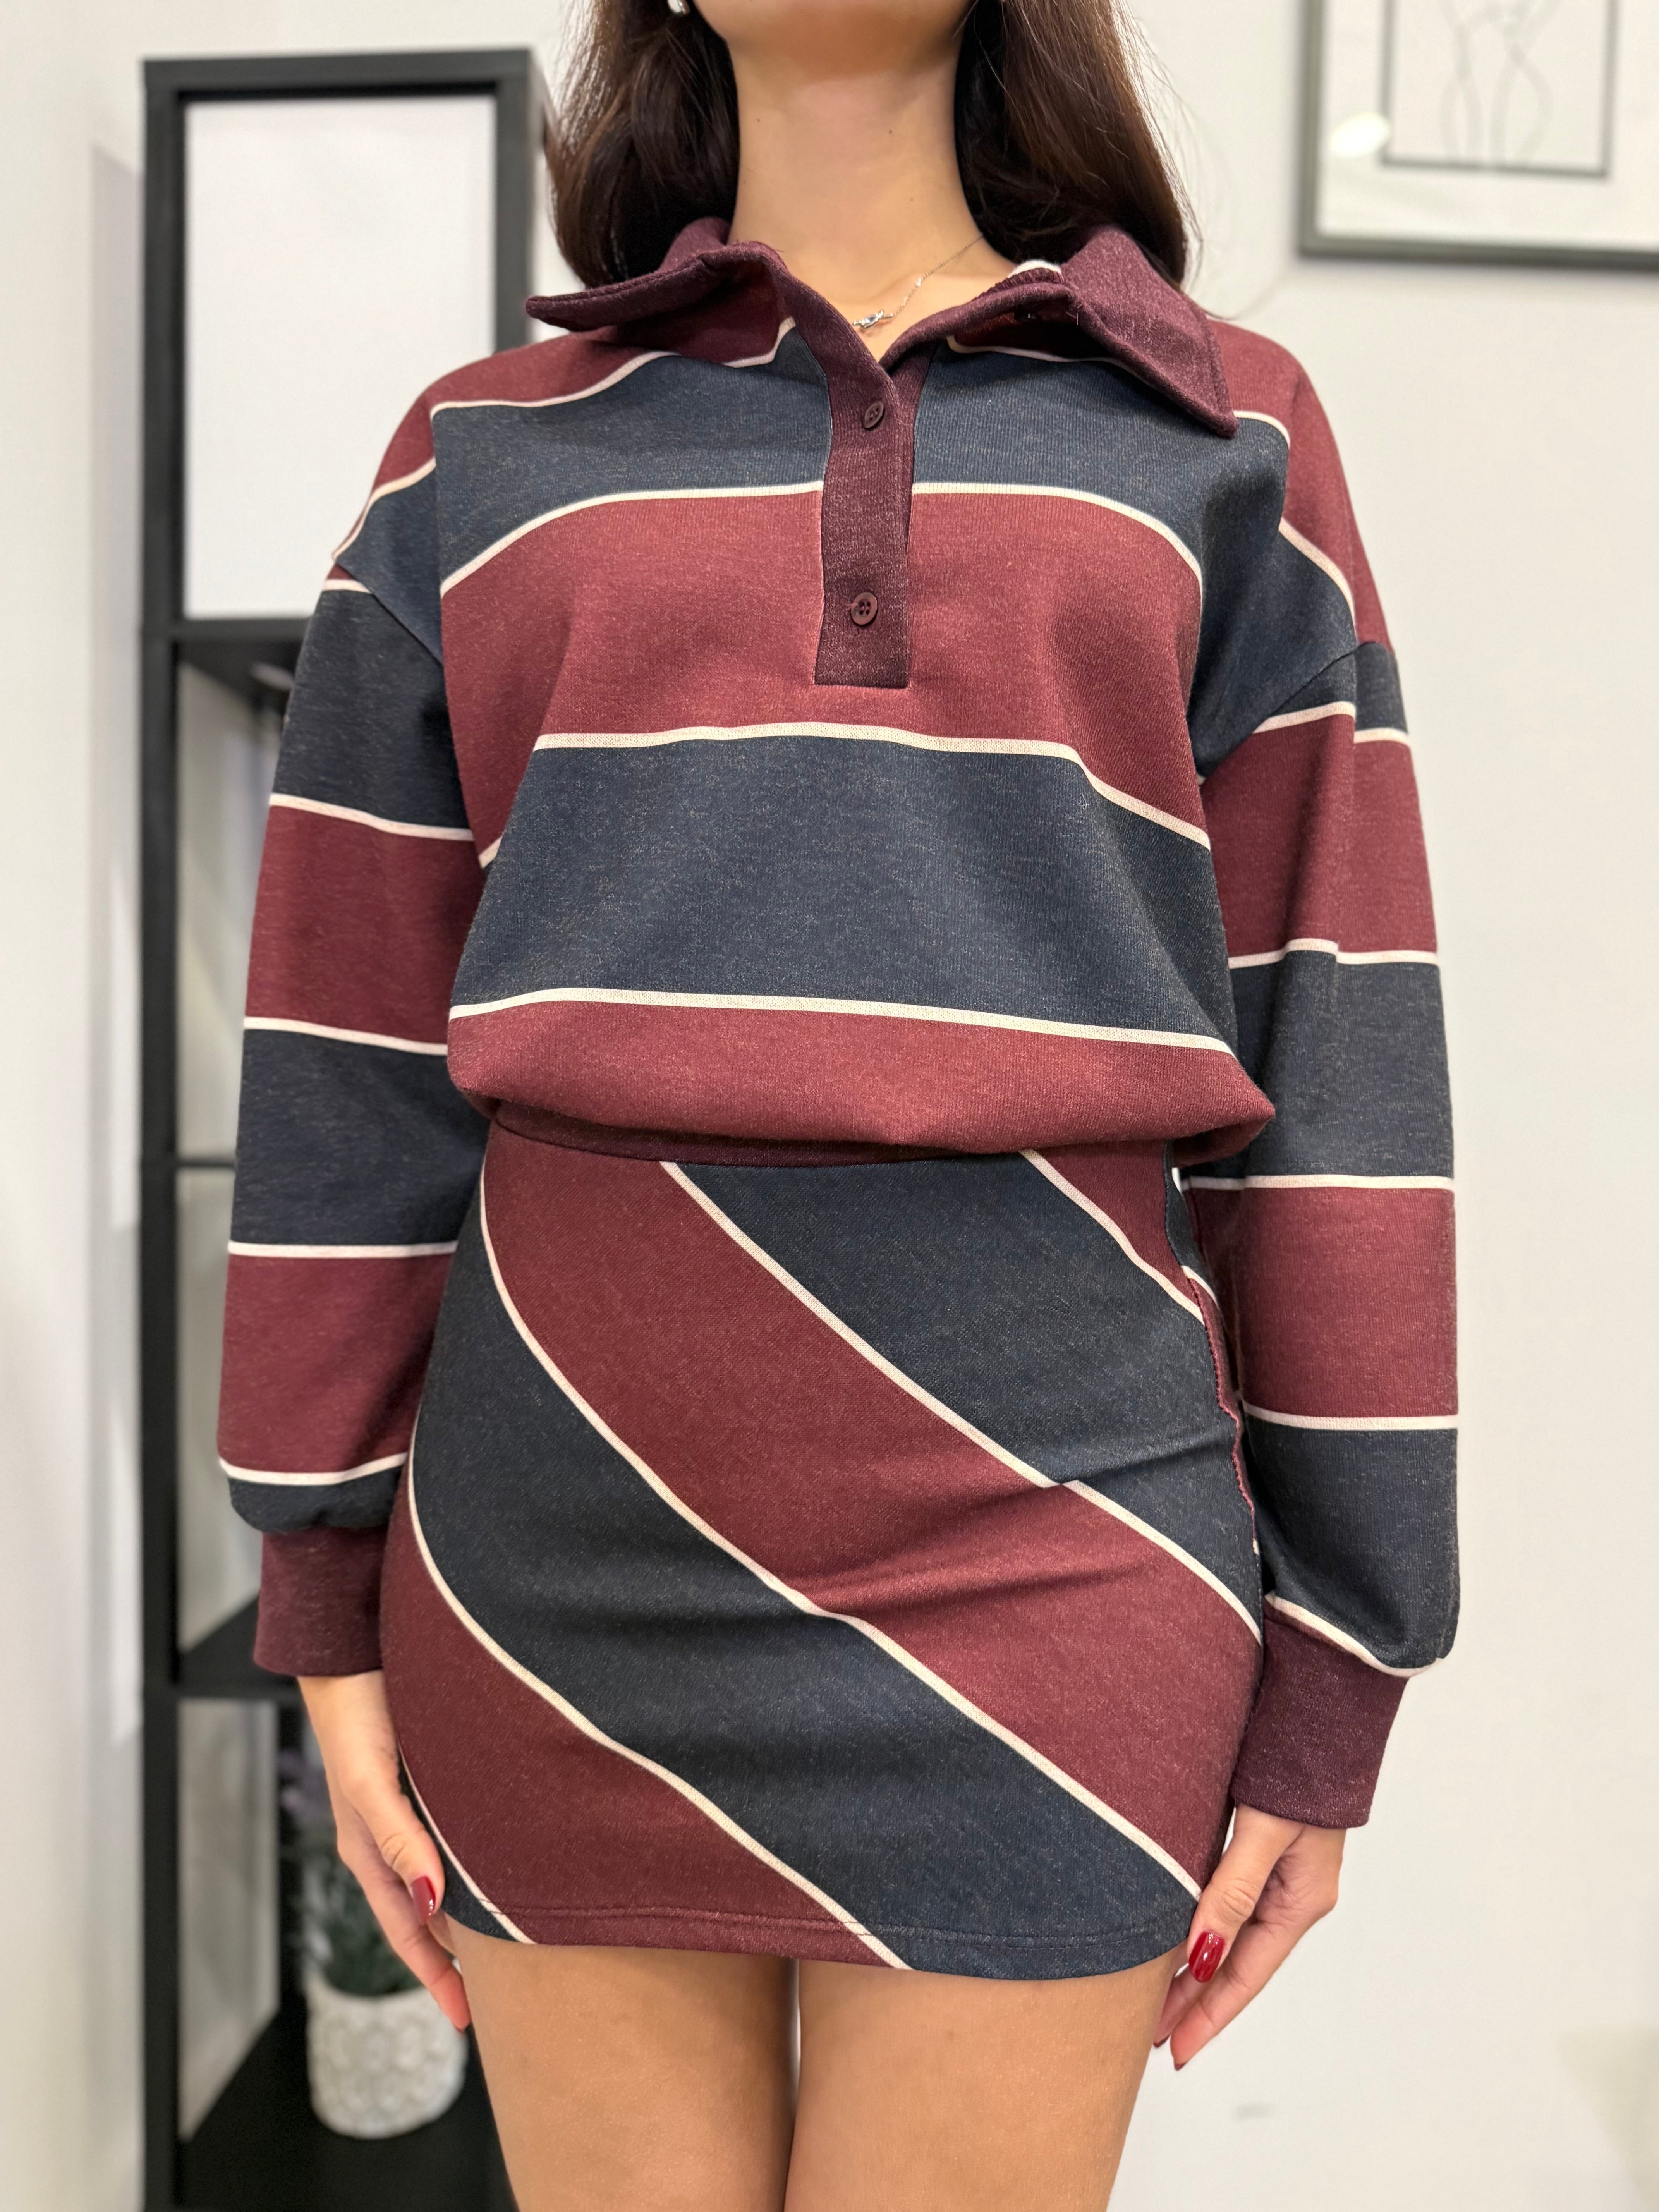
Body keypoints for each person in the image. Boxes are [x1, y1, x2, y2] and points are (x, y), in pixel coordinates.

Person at [216, 2, 1458, 2203]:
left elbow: (1341, 1054)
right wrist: (322, 1592)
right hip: (559, 1570)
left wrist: (1346, 1660)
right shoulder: (475, 456)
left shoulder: (1223, 430)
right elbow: (346, 1054)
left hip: (1058, 1562)